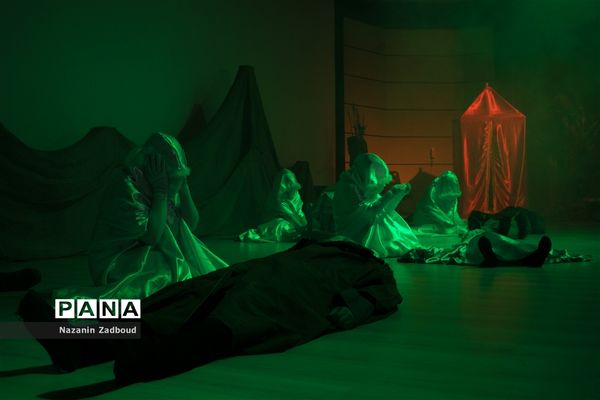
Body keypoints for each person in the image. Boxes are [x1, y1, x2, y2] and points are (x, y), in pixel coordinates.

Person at [18, 239, 401, 384]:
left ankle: (148, 359)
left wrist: (356, 307)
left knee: (233, 321)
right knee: (172, 302)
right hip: (250, 273)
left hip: (291, 294)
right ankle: (79, 342)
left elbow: (385, 293)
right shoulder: (316, 244)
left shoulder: (372, 265)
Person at [55, 133, 227, 300]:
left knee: (194, 270)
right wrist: (160, 193)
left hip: (154, 250)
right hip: (120, 258)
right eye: (172, 179)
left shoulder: (164, 181)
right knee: (168, 276)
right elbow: (152, 236)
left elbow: (191, 223)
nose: (174, 184)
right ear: (152, 167)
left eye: (178, 178)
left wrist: (183, 184)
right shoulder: (127, 186)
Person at [332, 153, 420, 258]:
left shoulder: (363, 185)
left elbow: (386, 211)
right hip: (355, 232)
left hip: (375, 228)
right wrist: (391, 194)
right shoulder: (349, 187)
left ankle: (391, 241)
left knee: (390, 228)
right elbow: (366, 215)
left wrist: (399, 195)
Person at [239, 169, 307, 242]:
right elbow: (288, 215)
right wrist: (303, 229)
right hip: (274, 221)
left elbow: (300, 212)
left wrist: (306, 226)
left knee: (303, 225)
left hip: (293, 222)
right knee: (281, 226)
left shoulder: (296, 194)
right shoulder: (276, 198)